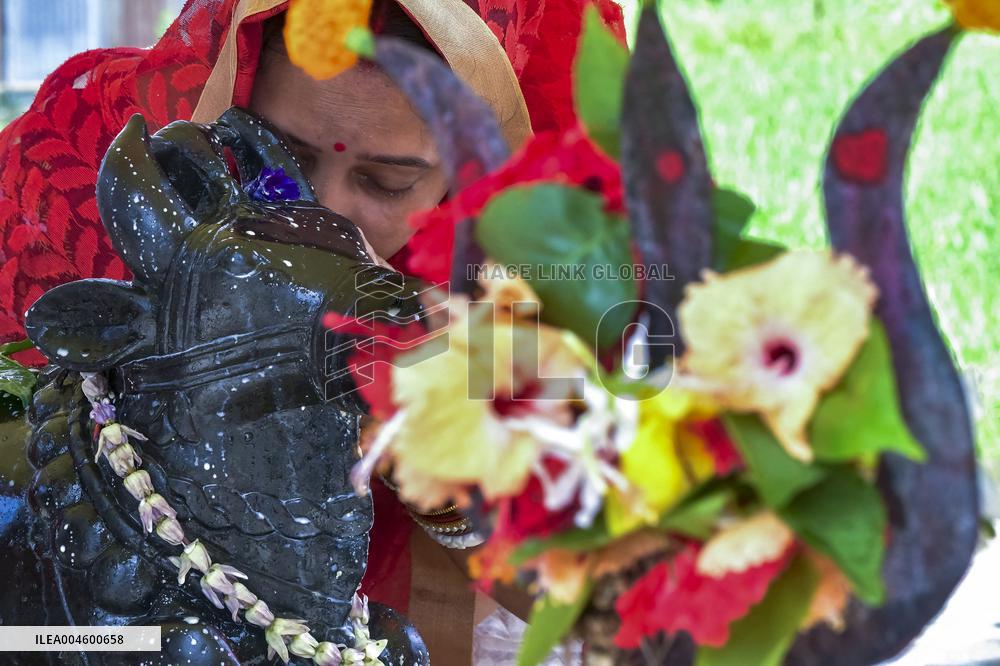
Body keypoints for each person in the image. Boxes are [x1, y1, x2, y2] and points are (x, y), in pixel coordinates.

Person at [0, 0, 626, 660]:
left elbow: (610, 612)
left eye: (386, 182)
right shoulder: (82, 180)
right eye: (283, 155)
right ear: (236, 87)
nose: (325, 209)